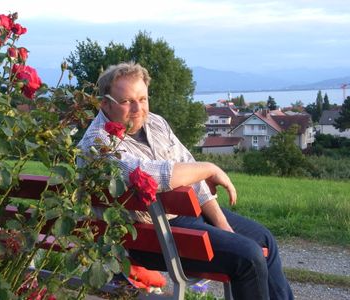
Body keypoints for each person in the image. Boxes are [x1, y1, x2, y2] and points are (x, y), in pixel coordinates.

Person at [77, 62, 293, 300]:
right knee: (248, 256)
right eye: (127, 101)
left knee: (264, 240)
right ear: (105, 104)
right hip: (146, 236)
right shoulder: (97, 142)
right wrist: (210, 167)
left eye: (143, 99)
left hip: (182, 218)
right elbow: (150, 174)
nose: (138, 108)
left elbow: (192, 172)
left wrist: (221, 222)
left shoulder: (156, 123)